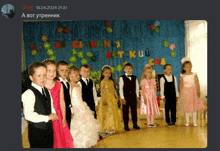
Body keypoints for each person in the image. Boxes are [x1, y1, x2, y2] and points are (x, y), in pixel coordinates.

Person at [21, 62, 58, 148]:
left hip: (48, 130)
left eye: (44, 75)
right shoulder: (29, 93)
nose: (43, 78)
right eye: (39, 76)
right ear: (31, 77)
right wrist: (47, 117)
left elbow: (50, 105)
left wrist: (53, 113)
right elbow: (28, 115)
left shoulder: (46, 91)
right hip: (37, 132)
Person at [43, 60, 74, 148]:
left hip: (58, 115)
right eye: (49, 70)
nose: (52, 73)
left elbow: (62, 102)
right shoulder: (42, 85)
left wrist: (63, 118)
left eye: (54, 71)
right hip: (47, 115)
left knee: (60, 137)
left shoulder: (59, 84)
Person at [69, 66, 100, 148]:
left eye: (78, 75)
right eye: (76, 75)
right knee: (79, 126)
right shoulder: (70, 86)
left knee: (87, 125)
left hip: (82, 105)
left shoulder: (78, 85)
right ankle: (79, 143)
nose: (78, 77)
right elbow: (70, 98)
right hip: (76, 107)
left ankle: (88, 141)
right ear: (70, 76)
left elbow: (92, 93)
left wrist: (96, 103)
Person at [97, 65, 124, 134]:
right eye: (106, 73)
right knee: (106, 113)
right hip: (105, 98)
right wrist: (103, 100)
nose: (108, 74)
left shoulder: (111, 81)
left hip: (111, 98)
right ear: (103, 73)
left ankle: (111, 127)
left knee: (112, 112)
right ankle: (106, 127)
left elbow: (113, 89)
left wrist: (117, 97)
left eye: (109, 73)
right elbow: (102, 92)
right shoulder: (102, 82)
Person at [178, 57, 204, 127]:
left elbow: (197, 84)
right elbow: (181, 85)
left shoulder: (194, 75)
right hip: (185, 93)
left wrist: (198, 91)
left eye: (190, 67)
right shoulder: (182, 76)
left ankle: (195, 121)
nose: (188, 68)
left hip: (193, 93)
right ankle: (187, 121)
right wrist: (180, 93)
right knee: (186, 107)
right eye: (187, 67)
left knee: (194, 107)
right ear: (183, 68)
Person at [119, 63, 140, 131]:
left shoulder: (134, 77)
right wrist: (122, 97)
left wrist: (137, 96)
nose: (128, 69)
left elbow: (137, 88)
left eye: (130, 68)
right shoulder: (122, 78)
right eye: (127, 68)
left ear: (132, 69)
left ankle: (135, 124)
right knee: (125, 112)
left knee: (134, 111)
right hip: (126, 97)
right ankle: (126, 125)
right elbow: (121, 88)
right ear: (124, 69)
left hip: (133, 96)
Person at [57, 61, 72, 129]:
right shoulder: (57, 83)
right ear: (57, 71)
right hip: (61, 110)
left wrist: (71, 109)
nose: (64, 72)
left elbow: (69, 97)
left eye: (66, 70)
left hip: (67, 109)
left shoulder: (67, 83)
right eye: (62, 70)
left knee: (68, 126)